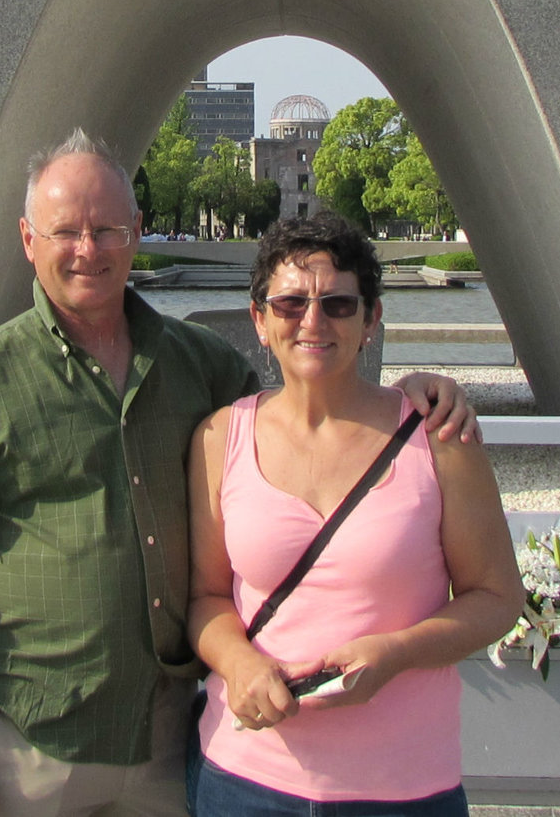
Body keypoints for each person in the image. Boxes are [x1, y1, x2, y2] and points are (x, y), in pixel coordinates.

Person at [0, 130, 480, 817]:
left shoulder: (201, 365)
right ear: (28, 239)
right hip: (31, 747)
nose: (88, 249)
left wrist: (417, 390)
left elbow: (300, 404)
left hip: (167, 739)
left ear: (138, 233)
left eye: (108, 229)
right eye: (66, 231)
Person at [185, 216, 521, 817]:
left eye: (338, 304)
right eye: (289, 303)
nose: (312, 322)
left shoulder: (438, 436)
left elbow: (497, 597)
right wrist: (239, 664)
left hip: (402, 787)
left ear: (371, 319)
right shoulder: (219, 438)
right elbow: (207, 598)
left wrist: (395, 653)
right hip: (245, 778)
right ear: (259, 320)